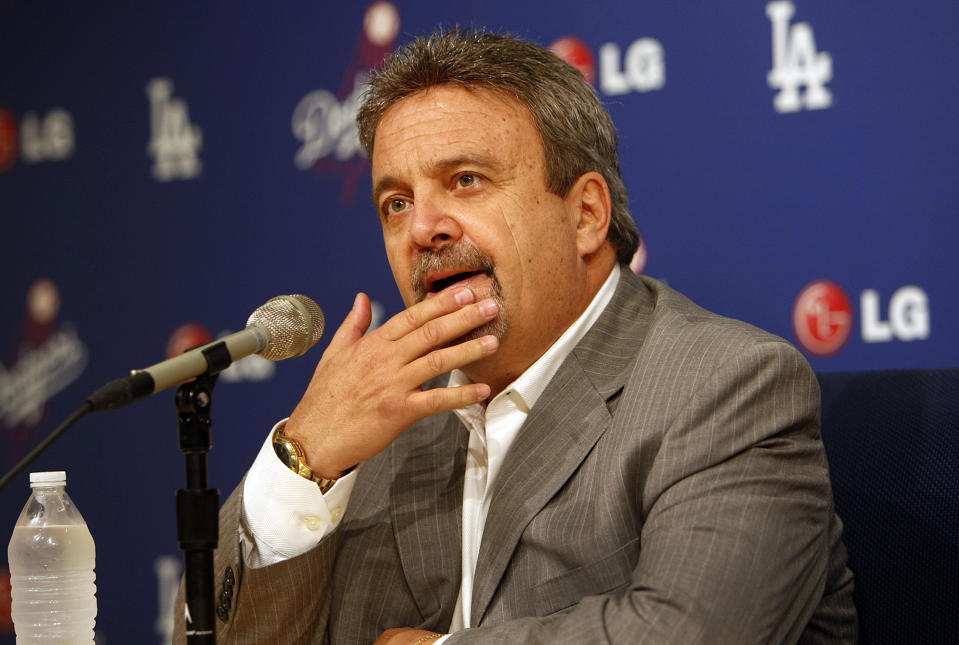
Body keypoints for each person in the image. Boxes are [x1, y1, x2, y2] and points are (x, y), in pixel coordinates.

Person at [176, 29, 856, 644]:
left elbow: (694, 632)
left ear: (586, 214)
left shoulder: (725, 386)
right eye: (396, 202)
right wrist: (306, 459)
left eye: (465, 181)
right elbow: (200, 637)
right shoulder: (375, 415)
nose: (423, 230)